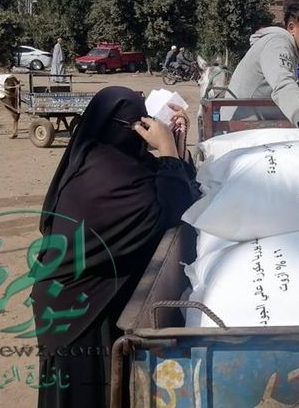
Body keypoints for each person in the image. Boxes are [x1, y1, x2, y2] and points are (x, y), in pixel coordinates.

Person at [31, 86, 200, 407]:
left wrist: (176, 148)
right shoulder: (100, 180)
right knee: (83, 394)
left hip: (99, 298)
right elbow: (171, 209)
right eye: (135, 125)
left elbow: (179, 191)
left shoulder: (120, 165)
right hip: (77, 314)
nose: (142, 132)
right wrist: (167, 151)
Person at [224, 0, 299, 137]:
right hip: (240, 134)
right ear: (292, 28)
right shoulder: (278, 44)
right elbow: (283, 83)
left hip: (254, 129)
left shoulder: (285, 47)